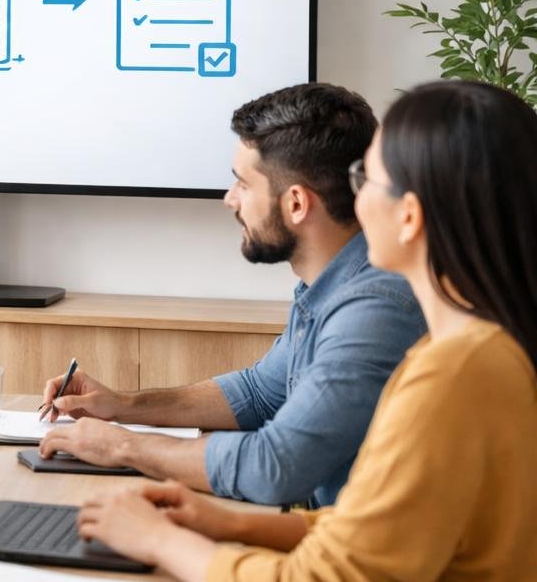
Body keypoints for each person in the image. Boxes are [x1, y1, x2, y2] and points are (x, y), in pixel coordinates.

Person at [79, 81, 537, 582]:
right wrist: (227, 522)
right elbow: (372, 536)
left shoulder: (454, 374)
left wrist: (161, 540)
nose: (352, 197)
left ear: (408, 216)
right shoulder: (485, 350)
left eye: (366, 177)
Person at [39, 84, 424, 512]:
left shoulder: (376, 308)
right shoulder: (332, 286)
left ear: (296, 204)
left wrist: (126, 447)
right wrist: (123, 405)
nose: (229, 199)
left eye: (243, 183)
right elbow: (260, 393)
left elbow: (278, 467)